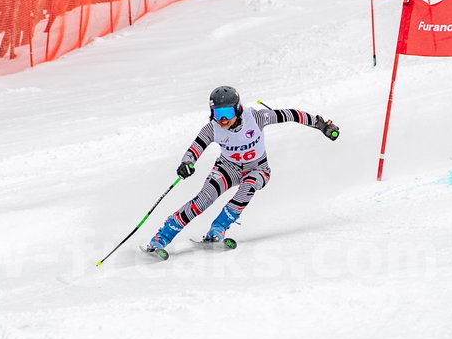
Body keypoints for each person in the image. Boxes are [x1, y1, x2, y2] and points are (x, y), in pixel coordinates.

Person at [142, 85, 339, 255]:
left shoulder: (256, 117)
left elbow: (292, 114)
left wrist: (321, 124)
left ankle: (217, 229)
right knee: (202, 201)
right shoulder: (212, 128)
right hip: (227, 168)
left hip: (258, 168)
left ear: (237, 108)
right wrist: (187, 162)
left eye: (227, 113)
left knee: (249, 186)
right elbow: (195, 148)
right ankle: (161, 238)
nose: (223, 120)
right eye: (218, 114)